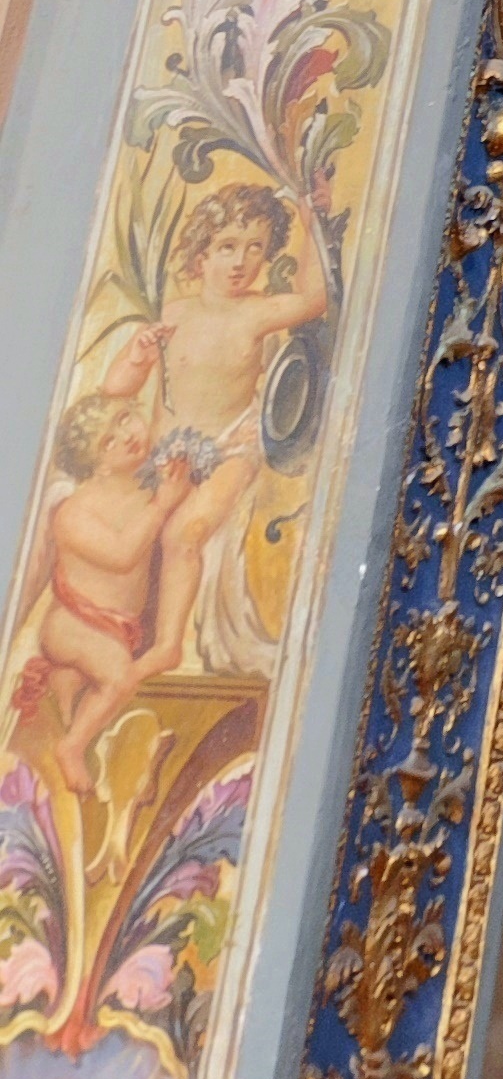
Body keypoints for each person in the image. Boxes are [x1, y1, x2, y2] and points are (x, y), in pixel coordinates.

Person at [96, 178, 327, 669]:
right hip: (165, 456)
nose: (241, 262)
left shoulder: (255, 313)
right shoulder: (175, 312)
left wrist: (312, 229)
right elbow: (116, 391)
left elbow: (312, 301)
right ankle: (116, 633)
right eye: (227, 247)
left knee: (184, 532)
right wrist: (137, 357)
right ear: (200, 256)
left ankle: (167, 646)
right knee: (124, 529)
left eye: (255, 249)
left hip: (228, 452)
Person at [9, 388, 199, 789]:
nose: (127, 434)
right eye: (108, 441)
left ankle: (68, 681)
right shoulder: (75, 512)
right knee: (118, 676)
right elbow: (123, 554)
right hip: (75, 623)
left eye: (125, 418)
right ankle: (72, 747)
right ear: (96, 465)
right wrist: (163, 505)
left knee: (106, 667)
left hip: (118, 626)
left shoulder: (143, 485)